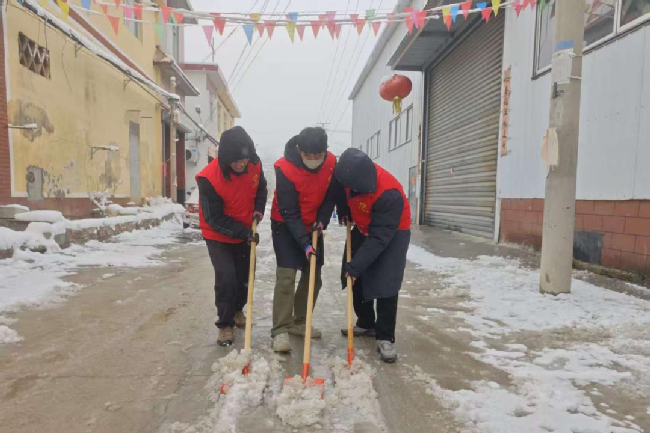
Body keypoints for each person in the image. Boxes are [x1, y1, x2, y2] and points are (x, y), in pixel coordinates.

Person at [335, 148, 411, 363]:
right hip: (362, 227)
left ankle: (385, 336)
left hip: (392, 233)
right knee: (353, 277)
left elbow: (379, 238)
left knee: (386, 282)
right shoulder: (346, 175)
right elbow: (339, 193)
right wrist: (344, 210)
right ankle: (366, 322)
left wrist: (356, 266)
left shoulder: (389, 193)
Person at [196, 126, 267, 347]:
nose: (241, 164)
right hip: (218, 234)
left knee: (245, 277)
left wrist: (258, 210)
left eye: (244, 160)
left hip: (244, 230)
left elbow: (261, 189)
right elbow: (213, 218)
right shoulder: (209, 178)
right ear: (225, 158)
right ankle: (225, 324)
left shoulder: (254, 164)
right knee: (226, 278)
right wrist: (244, 232)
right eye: (236, 161)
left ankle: (238, 310)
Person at [270, 127, 337, 353]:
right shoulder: (285, 168)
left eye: (319, 155)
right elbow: (289, 211)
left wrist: (322, 221)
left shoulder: (331, 163)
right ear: (300, 150)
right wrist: (304, 243)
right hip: (285, 224)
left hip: (313, 224)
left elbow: (331, 196)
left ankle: (299, 322)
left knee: (313, 276)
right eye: (309, 156)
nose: (314, 160)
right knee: (287, 276)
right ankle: (280, 329)